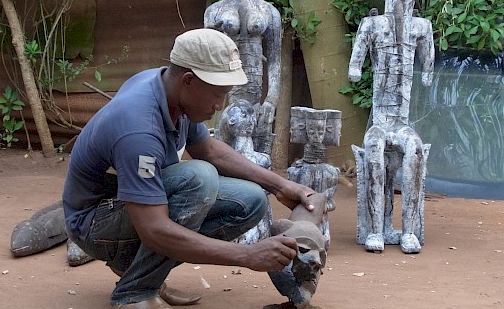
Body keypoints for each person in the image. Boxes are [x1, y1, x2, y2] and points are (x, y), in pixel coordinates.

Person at [62, 28, 316, 309]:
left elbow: (208, 149)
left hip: (129, 206)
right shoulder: (138, 128)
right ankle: (134, 293)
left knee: (251, 200)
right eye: (218, 95)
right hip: (95, 223)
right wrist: (247, 255)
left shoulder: (170, 92)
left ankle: (143, 273)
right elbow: (154, 230)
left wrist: (280, 185)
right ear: (189, 81)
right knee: (198, 179)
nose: (220, 106)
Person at [348, 0, 434, 254]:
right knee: (374, 148)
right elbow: (355, 65)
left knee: (414, 150)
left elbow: (428, 67)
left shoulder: (422, 27)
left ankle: (408, 230)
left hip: (402, 123)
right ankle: (376, 230)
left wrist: (426, 68)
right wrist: (356, 65)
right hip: (382, 122)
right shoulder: (372, 26)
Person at [205, 0, 282, 155]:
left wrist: (272, 100)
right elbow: (206, 60)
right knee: (227, 161)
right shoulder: (214, 11)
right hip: (224, 99)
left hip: (257, 100)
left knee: (261, 160)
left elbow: (275, 59)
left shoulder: (268, 11)